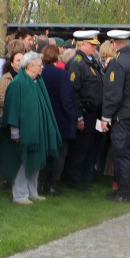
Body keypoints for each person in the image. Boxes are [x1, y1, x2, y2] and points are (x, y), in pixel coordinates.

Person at [0, 50, 61, 205]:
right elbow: (12, 108)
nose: (42, 68)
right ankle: (20, 195)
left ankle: (32, 192)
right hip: (22, 133)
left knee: (35, 161)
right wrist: (15, 132)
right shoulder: (17, 83)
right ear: (30, 66)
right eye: (39, 65)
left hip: (37, 131)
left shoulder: (38, 82)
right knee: (22, 163)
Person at [101, 29, 130, 203]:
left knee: (121, 155)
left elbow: (113, 94)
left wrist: (106, 117)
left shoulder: (118, 63)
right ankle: (125, 189)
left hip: (122, 116)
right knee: (128, 153)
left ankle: (124, 192)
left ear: (114, 44)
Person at [64, 30, 104, 192]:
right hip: (84, 112)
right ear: (83, 44)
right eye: (92, 45)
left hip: (93, 112)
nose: (94, 48)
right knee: (79, 148)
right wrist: (79, 116)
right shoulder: (77, 63)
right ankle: (73, 180)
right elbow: (73, 92)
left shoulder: (90, 61)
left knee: (86, 147)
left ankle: (80, 177)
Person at [40, 44, 77, 195]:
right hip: (60, 120)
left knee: (46, 153)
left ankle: (41, 183)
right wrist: (73, 116)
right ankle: (53, 184)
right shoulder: (61, 74)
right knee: (60, 153)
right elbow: (66, 99)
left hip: (44, 119)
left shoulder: (40, 73)